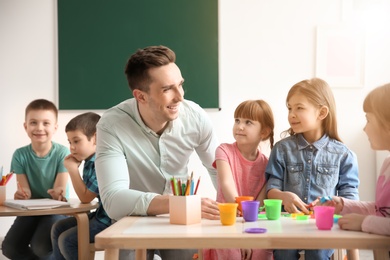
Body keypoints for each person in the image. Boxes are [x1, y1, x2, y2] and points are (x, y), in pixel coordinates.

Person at [95, 45, 220, 260]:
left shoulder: (195, 117)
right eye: (167, 89)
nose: (180, 96)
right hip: (132, 219)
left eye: (180, 85)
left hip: (182, 222)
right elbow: (114, 201)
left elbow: (218, 170)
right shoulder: (111, 124)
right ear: (141, 96)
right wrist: (179, 204)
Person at [265, 78, 360, 260]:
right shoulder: (282, 149)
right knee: (284, 252)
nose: (291, 114)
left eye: (299, 108)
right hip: (287, 226)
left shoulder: (343, 154)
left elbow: (351, 199)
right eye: (289, 108)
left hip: (324, 228)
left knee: (318, 251)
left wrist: (332, 204)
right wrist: (285, 196)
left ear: (322, 112)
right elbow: (271, 189)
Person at [203, 100, 275, 260]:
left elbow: (260, 203)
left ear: (264, 132)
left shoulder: (266, 164)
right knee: (233, 253)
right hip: (227, 223)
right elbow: (227, 185)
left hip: (253, 223)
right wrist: (241, 236)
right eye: (237, 120)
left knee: (261, 252)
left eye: (248, 122)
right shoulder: (224, 151)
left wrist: (248, 235)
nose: (239, 126)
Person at [2, 99, 69, 260]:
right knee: (9, 248)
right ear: (25, 126)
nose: (39, 128)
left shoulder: (62, 153)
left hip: (56, 210)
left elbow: (59, 189)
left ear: (55, 127)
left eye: (46, 123)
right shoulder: (20, 155)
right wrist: (22, 194)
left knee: (41, 246)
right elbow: (25, 190)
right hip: (31, 210)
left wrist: (57, 193)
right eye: (33, 123)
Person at [322, 83, 390, 236]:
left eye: (369, 120)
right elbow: (382, 211)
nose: (364, 128)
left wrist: (364, 223)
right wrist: (344, 205)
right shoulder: (387, 164)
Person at [50, 112, 111, 259]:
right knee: (58, 228)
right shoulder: (89, 161)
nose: (71, 147)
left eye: (76, 141)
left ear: (96, 138)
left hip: (109, 220)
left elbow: (85, 197)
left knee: (67, 240)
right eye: (70, 142)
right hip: (100, 215)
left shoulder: (101, 161)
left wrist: (71, 169)